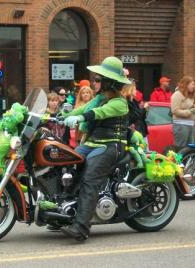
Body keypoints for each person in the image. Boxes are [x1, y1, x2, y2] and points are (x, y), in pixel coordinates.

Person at [61, 56, 131, 241]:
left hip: (111, 146)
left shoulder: (119, 103)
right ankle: (63, 213)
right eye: (95, 78)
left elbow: (97, 113)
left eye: (99, 79)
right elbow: (82, 110)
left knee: (90, 178)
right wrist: (60, 115)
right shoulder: (99, 98)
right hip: (91, 144)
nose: (95, 82)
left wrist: (81, 119)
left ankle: (81, 228)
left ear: (109, 82)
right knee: (64, 163)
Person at [171, 76, 195, 148]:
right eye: (192, 84)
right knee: (181, 149)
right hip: (181, 125)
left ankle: (187, 159)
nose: (193, 86)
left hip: (191, 125)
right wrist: (189, 112)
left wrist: (194, 109)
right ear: (186, 84)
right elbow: (175, 110)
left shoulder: (190, 96)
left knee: (190, 148)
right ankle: (178, 159)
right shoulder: (177, 95)